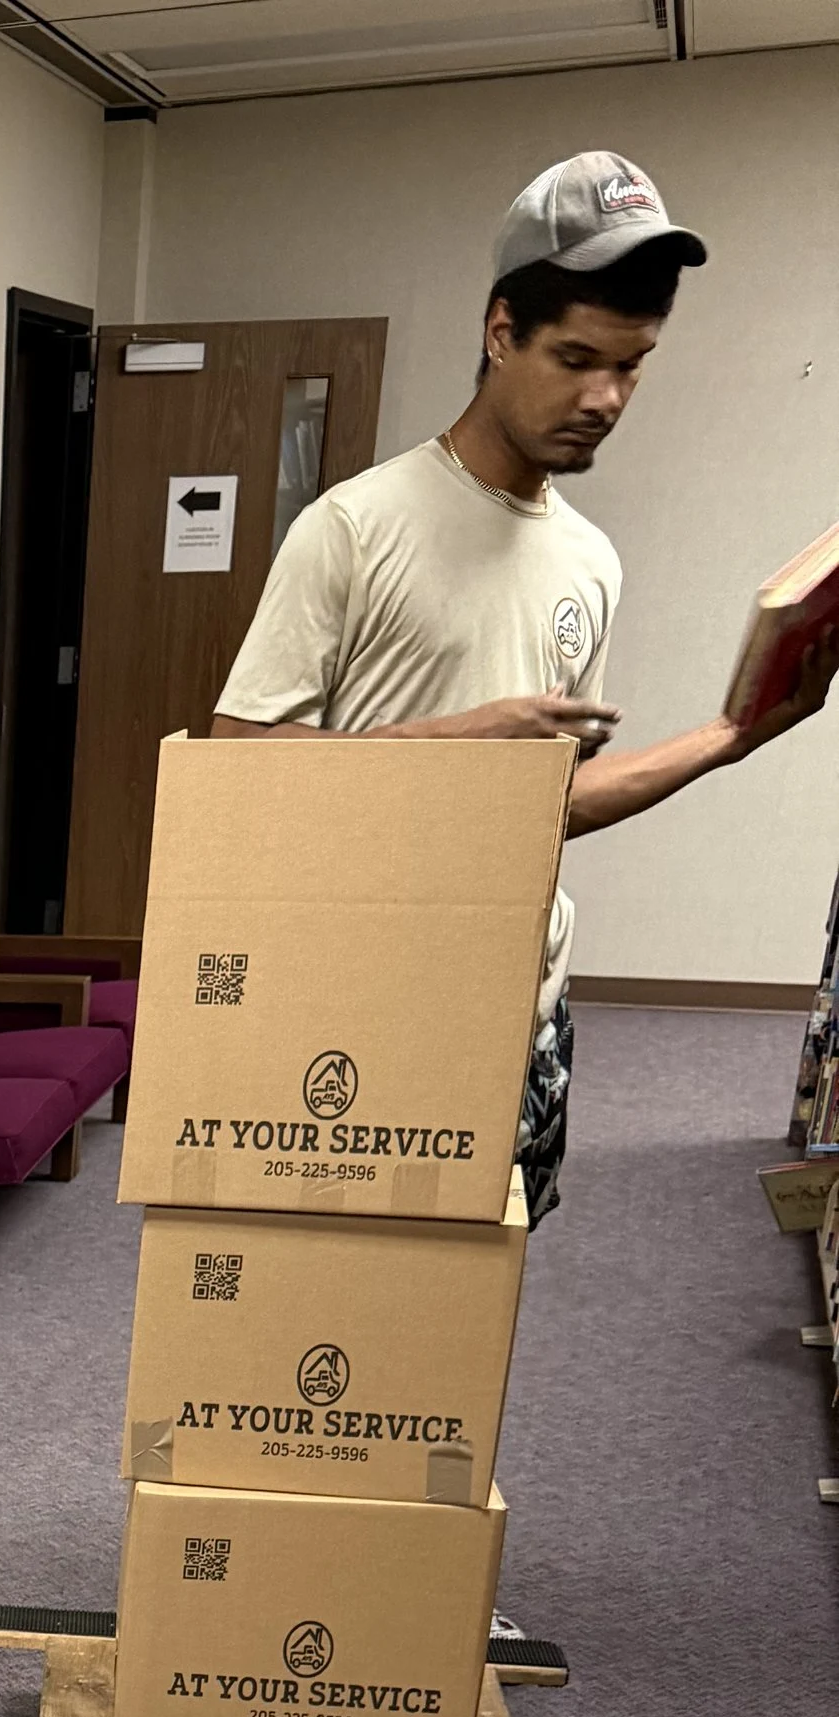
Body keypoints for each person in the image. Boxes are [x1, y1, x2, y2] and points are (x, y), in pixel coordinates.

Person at [212, 150, 837, 1224]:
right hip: (362, 1008)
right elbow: (232, 775)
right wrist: (457, 743)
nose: (604, 398)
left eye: (632, 365)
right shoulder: (353, 528)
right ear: (500, 332)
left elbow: (539, 812)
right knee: (339, 1337)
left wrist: (732, 737)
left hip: (522, 1009)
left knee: (469, 1336)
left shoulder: (589, 561)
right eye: (576, 357)